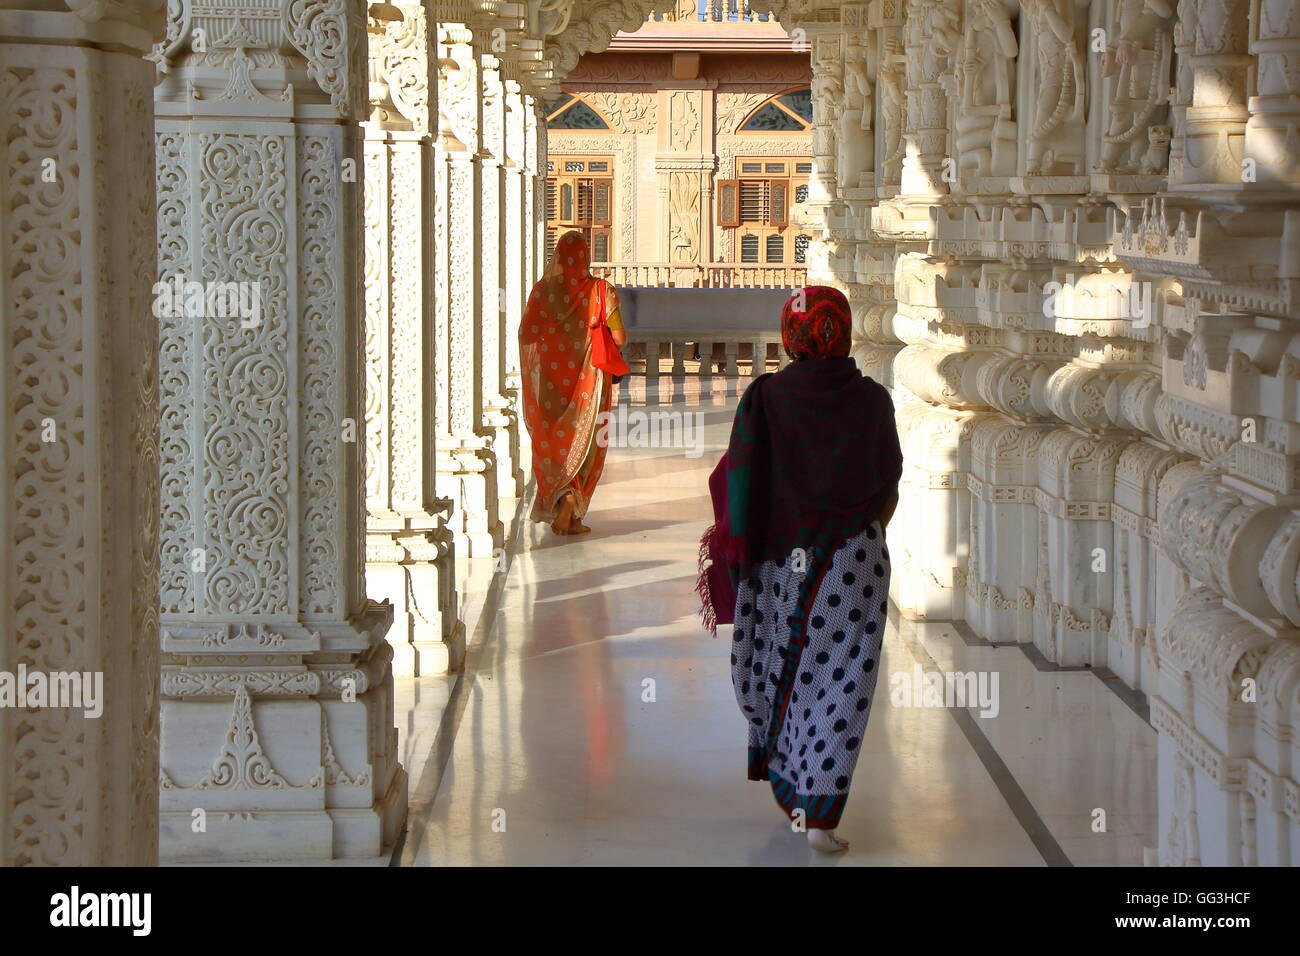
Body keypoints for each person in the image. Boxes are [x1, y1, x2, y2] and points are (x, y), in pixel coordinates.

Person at [697, 286, 902, 853]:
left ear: (791, 336)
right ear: (845, 331)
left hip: (779, 563)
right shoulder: (871, 401)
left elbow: (737, 480)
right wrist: (862, 530)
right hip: (852, 562)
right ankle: (821, 815)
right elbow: (889, 482)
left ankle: (796, 782)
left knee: (781, 674)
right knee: (841, 684)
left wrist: (745, 550)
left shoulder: (767, 398)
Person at [519, 231, 627, 536]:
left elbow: (527, 333)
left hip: (552, 382)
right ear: (585, 258)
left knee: (554, 439)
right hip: (590, 384)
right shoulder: (601, 291)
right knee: (587, 440)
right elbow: (619, 338)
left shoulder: (542, 291)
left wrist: (554, 342)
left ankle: (562, 500)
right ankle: (571, 503)